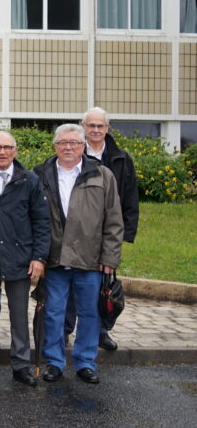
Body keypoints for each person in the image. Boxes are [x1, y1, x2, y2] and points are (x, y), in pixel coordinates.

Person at [34, 124, 123, 385]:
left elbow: (114, 221)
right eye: (63, 142)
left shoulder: (102, 175)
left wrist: (110, 257)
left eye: (74, 142)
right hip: (54, 259)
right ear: (55, 146)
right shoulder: (40, 175)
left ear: (83, 146)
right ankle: (54, 362)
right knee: (53, 313)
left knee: (89, 313)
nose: (68, 147)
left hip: (90, 259)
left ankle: (85, 362)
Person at [0, 131, 50, 386]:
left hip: (20, 257)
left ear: (15, 151)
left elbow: (41, 221)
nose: (2, 152)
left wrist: (39, 257)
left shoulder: (30, 180)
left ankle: (21, 366)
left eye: (7, 147)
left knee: (18, 316)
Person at [66, 107, 140, 351]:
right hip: (76, 231)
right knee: (72, 283)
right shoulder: (72, 150)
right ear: (83, 127)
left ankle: (100, 331)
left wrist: (124, 235)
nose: (96, 130)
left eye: (100, 126)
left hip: (107, 231)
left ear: (108, 129)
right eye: (91, 126)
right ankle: (66, 330)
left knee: (102, 286)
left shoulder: (121, 158)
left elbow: (130, 197)